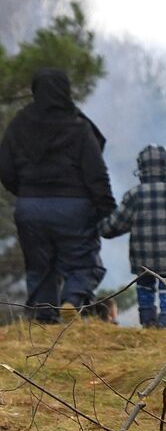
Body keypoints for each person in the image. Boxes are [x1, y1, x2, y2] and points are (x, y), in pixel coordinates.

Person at [0, 68, 115, 321]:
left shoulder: (19, 123)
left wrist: (27, 194)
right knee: (83, 263)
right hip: (73, 208)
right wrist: (106, 208)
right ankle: (72, 299)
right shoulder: (79, 126)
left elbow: (5, 168)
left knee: (40, 269)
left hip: (30, 208)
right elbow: (96, 173)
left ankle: (43, 322)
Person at [98, 144, 166, 329]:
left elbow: (114, 225)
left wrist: (100, 227)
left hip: (143, 258)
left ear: (141, 168)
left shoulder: (135, 196)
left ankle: (148, 324)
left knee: (145, 290)